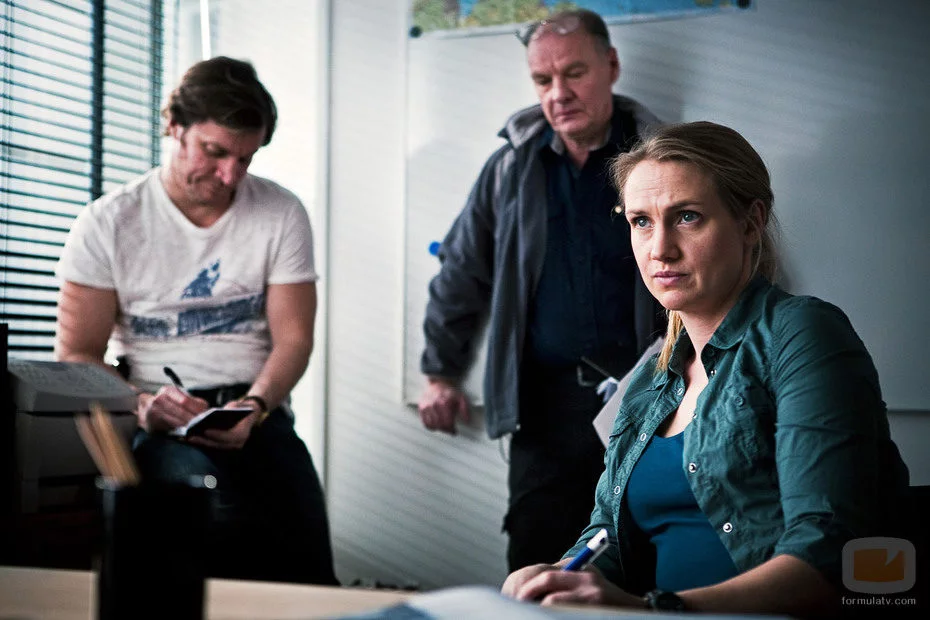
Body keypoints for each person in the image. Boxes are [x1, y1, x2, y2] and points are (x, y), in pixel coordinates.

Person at [501, 121, 910, 616]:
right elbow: (606, 537)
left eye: (688, 217)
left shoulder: (801, 333)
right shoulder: (649, 381)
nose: (660, 249)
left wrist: (656, 609)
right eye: (641, 221)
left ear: (751, 222)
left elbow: (827, 553)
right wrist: (556, 577)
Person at [54, 56, 338, 585]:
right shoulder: (107, 222)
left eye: (245, 159)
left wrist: (254, 406)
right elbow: (77, 354)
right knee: (210, 526)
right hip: (157, 419)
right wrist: (143, 406)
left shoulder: (281, 212)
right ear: (174, 126)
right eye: (215, 152)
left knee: (310, 568)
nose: (231, 175)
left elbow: (295, 339)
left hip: (257, 413)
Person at [418, 8, 666, 572]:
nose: (559, 94)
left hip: (648, 402)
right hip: (543, 411)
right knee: (535, 567)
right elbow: (462, 270)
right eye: (543, 79)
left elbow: (712, 272)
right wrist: (440, 372)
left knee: (639, 564)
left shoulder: (661, 162)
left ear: (611, 66)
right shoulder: (510, 168)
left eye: (574, 73)